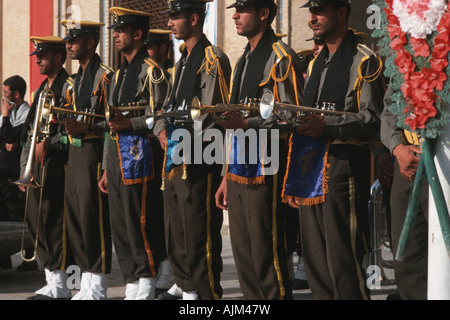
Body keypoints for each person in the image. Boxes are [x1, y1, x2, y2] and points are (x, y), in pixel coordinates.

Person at [290, 0, 385, 300]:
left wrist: (326, 126)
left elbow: (372, 119)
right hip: (310, 164)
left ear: (341, 13)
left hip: (342, 164)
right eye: (309, 12)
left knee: (343, 259)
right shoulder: (317, 61)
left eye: (319, 11)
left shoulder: (363, 59)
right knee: (316, 259)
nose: (312, 19)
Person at [215, 0, 304, 300]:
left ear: (264, 14)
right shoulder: (242, 59)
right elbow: (235, 122)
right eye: (234, 11)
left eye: (244, 10)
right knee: (244, 257)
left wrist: (248, 124)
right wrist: (226, 175)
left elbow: (293, 119)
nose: (236, 16)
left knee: (268, 255)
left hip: (268, 169)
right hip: (239, 169)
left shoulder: (281, 58)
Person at [153, 0, 231, 301]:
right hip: (173, 160)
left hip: (200, 161)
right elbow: (168, 109)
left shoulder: (212, 59)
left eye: (175, 16)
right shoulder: (182, 61)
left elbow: (215, 113)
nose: (170, 22)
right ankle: (188, 292)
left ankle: (206, 295)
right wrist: (161, 131)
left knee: (199, 238)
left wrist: (191, 144)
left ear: (195, 18)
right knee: (177, 235)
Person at [97, 7, 168, 300]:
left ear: (137, 34)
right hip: (116, 154)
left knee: (140, 220)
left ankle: (147, 279)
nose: (115, 35)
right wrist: (104, 165)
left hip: (140, 154)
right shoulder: (117, 74)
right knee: (119, 223)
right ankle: (131, 281)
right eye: (115, 31)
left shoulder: (152, 71)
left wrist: (132, 122)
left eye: (121, 31)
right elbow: (111, 123)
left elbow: (160, 115)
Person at [61, 20, 113, 300]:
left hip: (94, 153)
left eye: (74, 39)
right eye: (68, 40)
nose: (68, 44)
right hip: (75, 153)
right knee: (77, 221)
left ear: (91, 43)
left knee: (94, 219)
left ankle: (99, 284)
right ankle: (85, 282)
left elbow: (113, 123)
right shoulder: (75, 79)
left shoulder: (105, 76)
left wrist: (89, 130)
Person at [19, 36, 73, 300]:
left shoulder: (69, 88)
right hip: (37, 167)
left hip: (58, 164)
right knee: (36, 222)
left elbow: (72, 131)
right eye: (37, 56)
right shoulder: (40, 91)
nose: (38, 60)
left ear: (59, 58)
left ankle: (61, 282)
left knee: (54, 222)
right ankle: (50, 277)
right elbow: (30, 133)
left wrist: (49, 143)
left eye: (43, 56)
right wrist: (23, 169)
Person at [380, 86, 428, 300]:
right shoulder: (403, 53)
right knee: (407, 256)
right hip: (408, 162)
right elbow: (391, 108)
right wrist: (397, 147)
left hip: (443, 159)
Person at [0, 76, 30, 221]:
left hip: (15, 168)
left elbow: (11, 138)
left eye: (6, 93)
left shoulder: (26, 114)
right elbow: (5, 140)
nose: (3, 97)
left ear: (16, 94)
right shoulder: (8, 112)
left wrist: (5, 114)